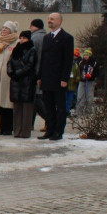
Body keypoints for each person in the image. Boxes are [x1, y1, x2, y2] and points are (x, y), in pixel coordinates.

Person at [37, 12, 75, 141]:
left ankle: (58, 131)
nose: (50, 21)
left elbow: (68, 60)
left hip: (59, 79)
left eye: (52, 19)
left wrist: (65, 78)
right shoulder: (47, 38)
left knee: (60, 106)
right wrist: (40, 76)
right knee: (48, 107)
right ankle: (50, 130)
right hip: (47, 78)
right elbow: (43, 58)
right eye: (49, 19)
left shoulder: (66, 38)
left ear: (59, 21)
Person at [7, 30, 37, 138]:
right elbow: (9, 62)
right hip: (15, 81)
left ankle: (25, 132)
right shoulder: (16, 49)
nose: (22, 40)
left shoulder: (32, 50)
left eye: (24, 38)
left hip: (27, 81)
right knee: (17, 108)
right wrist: (11, 72)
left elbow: (30, 65)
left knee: (27, 108)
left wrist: (18, 73)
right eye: (21, 38)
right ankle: (17, 131)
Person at [0, 21, 18, 136]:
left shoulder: (15, 42)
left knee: (8, 102)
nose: (4, 30)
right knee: (1, 102)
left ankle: (9, 128)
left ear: (11, 31)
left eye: (7, 28)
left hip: (9, 75)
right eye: (3, 28)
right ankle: (2, 127)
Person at [29, 18, 47, 130]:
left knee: (35, 98)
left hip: (35, 71)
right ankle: (30, 123)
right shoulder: (47, 36)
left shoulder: (34, 38)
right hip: (44, 71)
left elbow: (32, 55)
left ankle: (48, 119)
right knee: (38, 98)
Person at [76, 48, 97, 115]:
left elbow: (97, 72)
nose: (85, 56)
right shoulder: (81, 63)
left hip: (90, 82)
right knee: (80, 96)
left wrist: (92, 76)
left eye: (87, 55)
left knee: (89, 97)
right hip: (82, 81)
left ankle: (89, 112)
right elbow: (78, 71)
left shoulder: (94, 63)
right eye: (84, 55)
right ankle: (79, 112)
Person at [67, 49, 81, 115]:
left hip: (73, 85)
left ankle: (68, 110)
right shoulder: (66, 66)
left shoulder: (76, 66)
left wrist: (77, 79)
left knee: (70, 99)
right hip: (66, 84)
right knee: (64, 98)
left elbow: (78, 74)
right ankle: (64, 110)